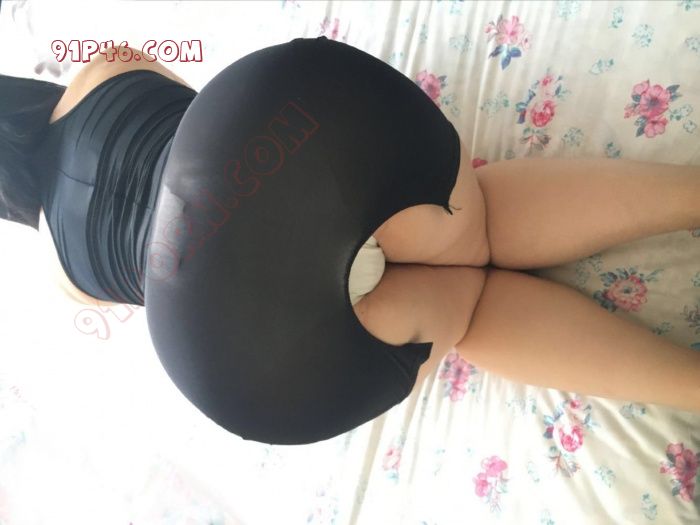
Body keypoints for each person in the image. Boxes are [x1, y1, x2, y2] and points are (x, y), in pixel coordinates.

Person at [1, 36, 698, 445]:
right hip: (294, 149)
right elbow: (202, 117)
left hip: (249, 341)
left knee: (467, 311)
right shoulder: (103, 67)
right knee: (475, 222)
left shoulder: (65, 276)